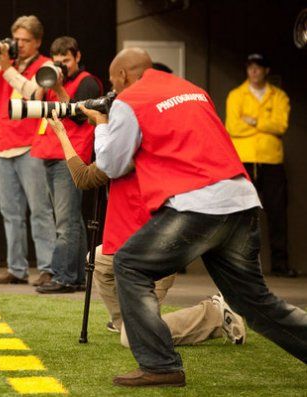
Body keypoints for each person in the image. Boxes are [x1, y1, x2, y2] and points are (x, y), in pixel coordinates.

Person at [82, 47, 307, 387]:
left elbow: (112, 165)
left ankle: (160, 366)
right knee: (255, 301)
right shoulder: (193, 90)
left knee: (129, 263)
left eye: (114, 84)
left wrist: (101, 126)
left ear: (124, 76)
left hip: (197, 204)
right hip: (241, 199)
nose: (114, 92)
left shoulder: (133, 99)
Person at [46, 107, 246, 348]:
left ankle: (213, 314)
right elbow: (88, 174)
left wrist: (72, 131)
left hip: (157, 252)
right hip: (134, 246)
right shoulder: (131, 149)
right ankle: (124, 322)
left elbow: (84, 177)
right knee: (97, 260)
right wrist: (76, 124)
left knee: (134, 339)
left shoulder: (134, 154)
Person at [0, 15, 56, 286]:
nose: (19, 45)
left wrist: (8, 69)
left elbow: (35, 94)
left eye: (25, 41)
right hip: (2, 146)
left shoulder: (46, 66)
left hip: (31, 146)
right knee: (11, 214)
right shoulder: (3, 66)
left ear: (38, 42)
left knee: (40, 211)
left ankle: (48, 268)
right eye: (16, 39)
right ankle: (16, 269)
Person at [30, 36, 103, 294]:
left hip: (70, 157)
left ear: (78, 57)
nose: (62, 66)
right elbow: (35, 104)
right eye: (57, 62)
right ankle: (80, 276)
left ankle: (64, 276)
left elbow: (81, 116)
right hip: (51, 154)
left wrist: (59, 87)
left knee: (66, 221)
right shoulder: (51, 79)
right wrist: (44, 83)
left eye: (67, 61)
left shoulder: (88, 83)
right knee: (72, 220)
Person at [225, 53, 296, 277]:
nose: (254, 71)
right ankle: (239, 264)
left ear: (266, 70)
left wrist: (253, 121)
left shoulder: (279, 96)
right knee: (242, 213)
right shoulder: (236, 95)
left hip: (271, 160)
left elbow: (281, 125)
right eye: (250, 67)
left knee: (277, 213)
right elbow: (233, 127)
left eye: (259, 67)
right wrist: (265, 124)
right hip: (244, 159)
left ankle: (280, 265)